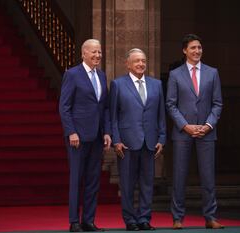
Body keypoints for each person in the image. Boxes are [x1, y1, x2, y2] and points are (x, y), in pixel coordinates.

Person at [166, 34, 223, 229]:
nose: (197, 51)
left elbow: (217, 104)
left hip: (207, 133)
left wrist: (208, 125)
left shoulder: (212, 72)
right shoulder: (175, 75)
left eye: (199, 47)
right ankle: (177, 218)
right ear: (184, 50)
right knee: (179, 176)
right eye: (193, 48)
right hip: (183, 133)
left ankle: (210, 217)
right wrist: (186, 126)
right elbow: (171, 105)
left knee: (208, 177)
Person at [109, 48, 166, 231]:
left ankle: (144, 218)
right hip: (126, 143)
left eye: (143, 60)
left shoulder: (156, 84)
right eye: (136, 61)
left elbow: (161, 115)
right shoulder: (118, 84)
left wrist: (162, 138)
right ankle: (130, 220)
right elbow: (113, 116)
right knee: (127, 184)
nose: (140, 64)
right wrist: (116, 140)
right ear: (128, 64)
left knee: (147, 183)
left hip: (150, 142)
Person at [59, 39, 112, 232]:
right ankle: (74, 221)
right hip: (78, 137)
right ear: (83, 54)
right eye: (93, 52)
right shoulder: (72, 75)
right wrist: (71, 131)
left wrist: (107, 132)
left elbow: (104, 107)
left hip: (97, 136)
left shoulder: (102, 75)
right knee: (77, 179)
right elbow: (64, 107)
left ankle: (88, 220)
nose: (97, 55)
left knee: (93, 180)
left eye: (99, 52)